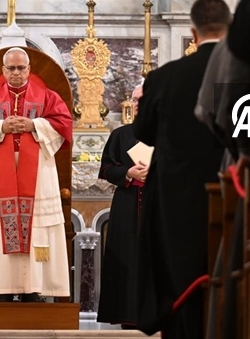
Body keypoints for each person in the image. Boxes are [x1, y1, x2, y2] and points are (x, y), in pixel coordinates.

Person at [133, 0, 231, 338]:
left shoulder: (164, 77)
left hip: (177, 194)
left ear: (193, 33)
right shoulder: (245, 74)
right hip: (232, 187)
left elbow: (141, 132)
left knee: (179, 271)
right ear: (229, 27)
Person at [0, 47, 73, 302]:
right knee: (2, 225)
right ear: (3, 70)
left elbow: (64, 123)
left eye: (21, 68)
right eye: (11, 68)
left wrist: (34, 125)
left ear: (29, 69)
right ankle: (2, 287)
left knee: (36, 224)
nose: (16, 73)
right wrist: (0, 126)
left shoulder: (47, 97)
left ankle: (33, 287)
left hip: (38, 171)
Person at [96, 84, 146, 329]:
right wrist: (128, 171)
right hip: (127, 204)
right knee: (125, 256)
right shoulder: (121, 135)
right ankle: (126, 314)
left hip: (157, 204)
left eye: (142, 100)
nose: (137, 104)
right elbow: (105, 168)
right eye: (135, 100)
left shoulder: (169, 132)